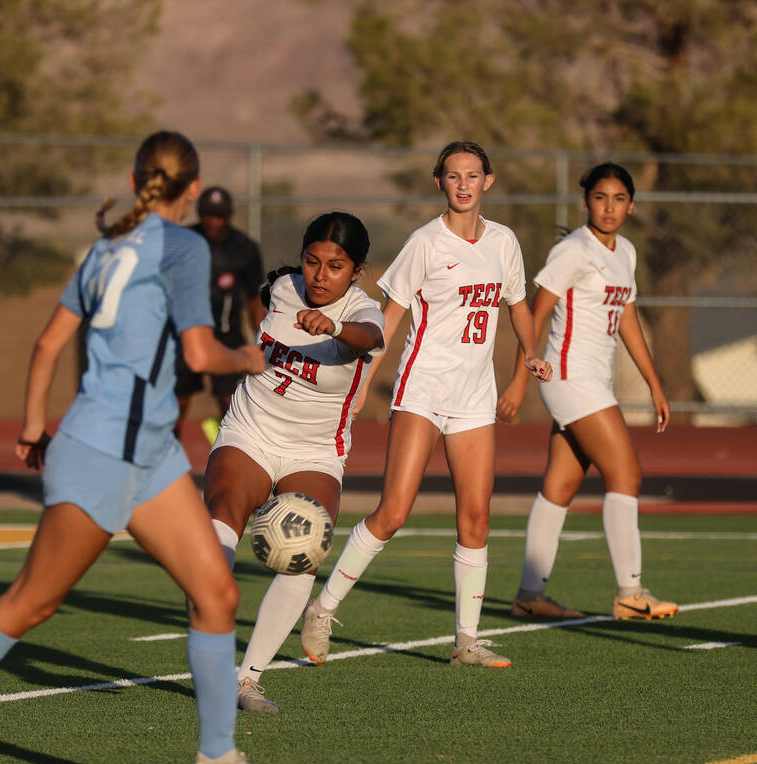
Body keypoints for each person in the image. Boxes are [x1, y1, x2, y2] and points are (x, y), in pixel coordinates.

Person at [0, 131, 298, 764]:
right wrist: (248, 357)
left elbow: (48, 344)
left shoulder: (106, 248)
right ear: (191, 189)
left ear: (139, 179)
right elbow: (200, 350)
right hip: (104, 450)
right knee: (32, 601)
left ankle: (218, 758)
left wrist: (30, 425)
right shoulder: (184, 245)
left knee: (216, 595)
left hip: (150, 449)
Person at [299, 141, 552, 671]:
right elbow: (388, 321)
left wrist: (529, 353)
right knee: (393, 512)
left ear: (489, 181)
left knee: (476, 518)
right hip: (422, 390)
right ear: (439, 181)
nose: (463, 184)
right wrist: (367, 378)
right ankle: (322, 609)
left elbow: (518, 305)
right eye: (453, 175)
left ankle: (466, 641)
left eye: (473, 175)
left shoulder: (504, 241)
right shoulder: (424, 243)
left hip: (474, 396)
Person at [201, 212, 385, 713]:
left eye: (336, 266)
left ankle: (247, 680)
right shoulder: (283, 288)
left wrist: (337, 328)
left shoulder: (367, 311)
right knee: (221, 518)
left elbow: (368, 337)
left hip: (315, 448)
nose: (320, 275)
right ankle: (211, 644)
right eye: (312, 261)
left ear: (356, 270)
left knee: (306, 548)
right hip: (251, 428)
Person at [496, 162, 677, 621]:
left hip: (592, 380)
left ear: (631, 206)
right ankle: (630, 593)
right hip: (568, 377)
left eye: (619, 199)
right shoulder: (572, 250)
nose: (609, 207)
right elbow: (534, 316)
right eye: (600, 197)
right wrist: (519, 381)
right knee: (627, 475)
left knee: (560, 486)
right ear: (585, 202)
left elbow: (629, 322)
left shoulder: (626, 252)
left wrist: (656, 385)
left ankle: (529, 595)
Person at [175, 186, 265, 442]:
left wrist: (262, 338)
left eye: (219, 216)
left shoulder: (245, 249)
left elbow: (253, 299)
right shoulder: (184, 242)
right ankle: (167, 458)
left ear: (230, 216)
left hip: (227, 335)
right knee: (176, 404)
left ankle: (234, 449)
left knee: (230, 402)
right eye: (207, 215)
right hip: (185, 332)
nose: (213, 221)